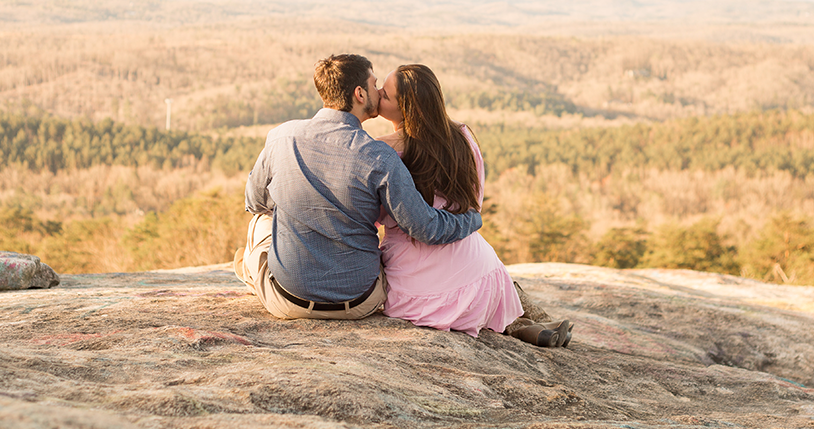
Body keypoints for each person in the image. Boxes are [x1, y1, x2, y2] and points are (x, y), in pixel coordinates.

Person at [236, 54, 483, 320]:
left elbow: (254, 201)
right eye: (375, 84)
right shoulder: (380, 156)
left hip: (287, 300)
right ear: (360, 94)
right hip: (360, 302)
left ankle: (250, 269)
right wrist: (471, 219)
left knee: (262, 220)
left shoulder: (281, 137)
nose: (378, 91)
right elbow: (426, 227)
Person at [376, 64, 572, 347]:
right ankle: (527, 323)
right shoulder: (463, 138)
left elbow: (372, 217)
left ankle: (526, 324)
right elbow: (472, 204)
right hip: (479, 279)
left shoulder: (384, 150)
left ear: (405, 109)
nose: (378, 95)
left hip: (416, 292)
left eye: (385, 94)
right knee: (483, 254)